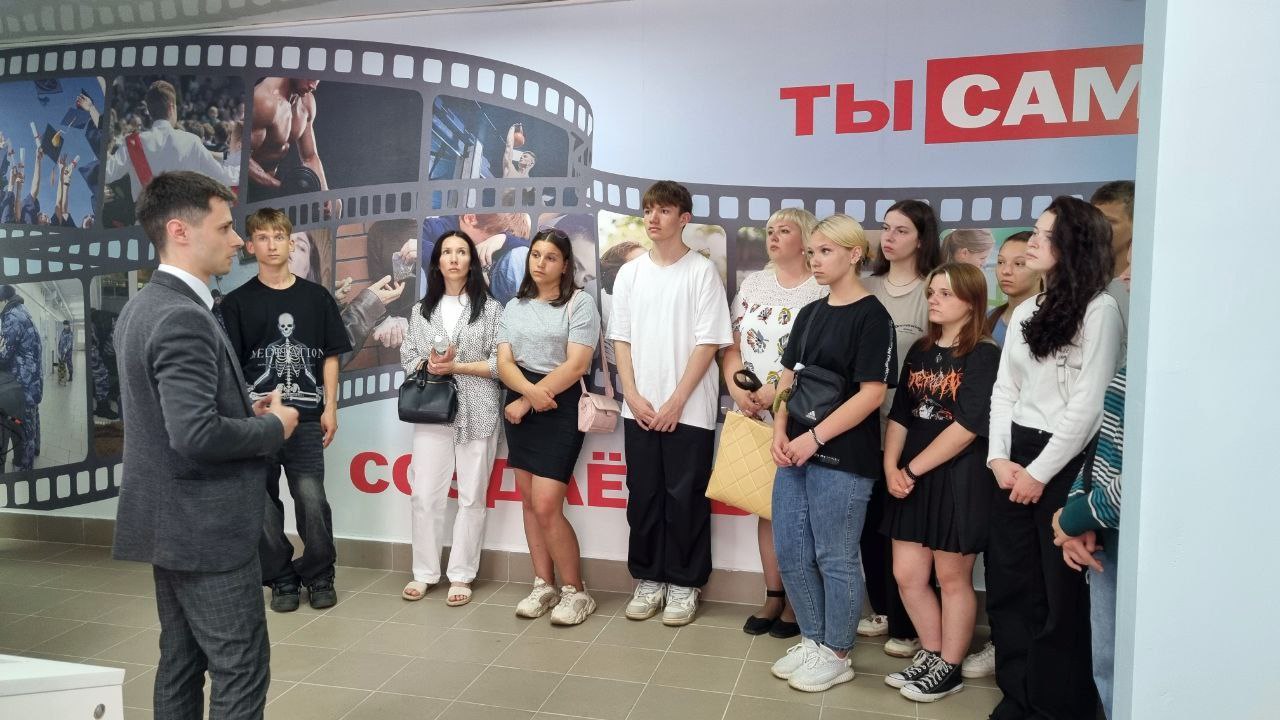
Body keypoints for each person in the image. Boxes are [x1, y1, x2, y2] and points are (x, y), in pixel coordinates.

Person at [112, 171, 299, 719]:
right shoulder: (181, 317)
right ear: (180, 231)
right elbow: (193, 435)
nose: (239, 240)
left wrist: (243, 410)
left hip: (171, 524)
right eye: (224, 227)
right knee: (241, 668)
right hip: (205, 530)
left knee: (181, 661)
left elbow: (172, 416)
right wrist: (274, 427)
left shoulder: (144, 305)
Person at [985, 196, 1124, 720]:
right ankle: (1017, 696)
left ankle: (1055, 706)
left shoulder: (1100, 310)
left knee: (1059, 595)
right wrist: (998, 459)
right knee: (1010, 585)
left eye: (1045, 235)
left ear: (1073, 245)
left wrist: (1039, 474)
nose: (1032, 243)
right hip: (1014, 457)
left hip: (1066, 461)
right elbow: (1005, 391)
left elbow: (1088, 407)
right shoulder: (1026, 310)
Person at [767, 213, 896, 692]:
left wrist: (814, 438)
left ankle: (838, 653)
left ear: (854, 254)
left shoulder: (873, 317)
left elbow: (871, 394)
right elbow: (788, 378)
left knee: (835, 556)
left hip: (843, 456)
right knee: (790, 550)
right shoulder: (810, 313)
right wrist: (780, 429)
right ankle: (814, 640)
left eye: (825, 251)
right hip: (793, 450)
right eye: (812, 252)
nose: (815, 261)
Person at [609, 180, 732, 627]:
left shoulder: (701, 271)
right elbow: (620, 339)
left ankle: (684, 583)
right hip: (639, 408)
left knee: (685, 499)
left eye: (663, 210)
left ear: (684, 218)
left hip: (689, 410)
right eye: (648, 210)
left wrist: (677, 401)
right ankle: (648, 579)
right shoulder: (630, 274)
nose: (653, 218)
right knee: (643, 495)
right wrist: (632, 395)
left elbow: (708, 342)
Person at [221, 208, 353, 613]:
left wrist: (331, 407)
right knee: (261, 504)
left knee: (312, 499)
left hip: (308, 418)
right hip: (257, 423)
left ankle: (319, 573)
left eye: (279, 236)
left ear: (290, 241)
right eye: (263, 237)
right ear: (250, 245)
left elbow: (331, 356)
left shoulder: (316, 298)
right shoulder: (236, 303)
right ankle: (280, 577)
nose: (272, 245)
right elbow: (230, 367)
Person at [881, 263, 1001, 703]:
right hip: (909, 475)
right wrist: (891, 467)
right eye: (932, 292)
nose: (933, 299)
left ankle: (950, 666)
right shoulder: (920, 348)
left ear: (971, 301)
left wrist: (911, 470)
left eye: (946, 293)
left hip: (956, 477)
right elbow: (901, 414)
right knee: (907, 574)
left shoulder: (984, 354)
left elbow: (967, 427)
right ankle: (931, 653)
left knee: (952, 578)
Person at [720, 207, 825, 638]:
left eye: (784, 230)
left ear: (807, 239)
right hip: (755, 413)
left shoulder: (823, 288)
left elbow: (821, 362)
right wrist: (738, 388)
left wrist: (775, 393)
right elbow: (730, 345)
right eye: (769, 230)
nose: (773, 237)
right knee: (769, 509)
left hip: (803, 414)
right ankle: (774, 595)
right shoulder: (753, 284)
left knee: (803, 512)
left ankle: (801, 603)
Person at [497, 228, 601, 625]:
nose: (540, 263)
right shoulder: (514, 305)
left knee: (545, 505)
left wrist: (531, 399)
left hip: (560, 405)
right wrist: (526, 395)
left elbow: (577, 364)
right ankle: (544, 584)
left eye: (551, 257)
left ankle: (576, 591)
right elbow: (504, 362)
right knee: (528, 503)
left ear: (565, 265)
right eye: (536, 255)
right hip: (520, 404)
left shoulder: (580, 303)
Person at [399, 230, 503, 607]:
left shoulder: (491, 309)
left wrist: (457, 366)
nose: (454, 258)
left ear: (471, 261)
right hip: (432, 410)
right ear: (438, 262)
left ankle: (462, 574)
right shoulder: (421, 310)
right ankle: (424, 572)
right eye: (447, 252)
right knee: (425, 494)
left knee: (472, 496)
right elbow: (407, 356)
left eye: (462, 251)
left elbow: (500, 364)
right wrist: (427, 363)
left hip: (479, 410)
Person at [859, 199, 942, 657]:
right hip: (861, 427)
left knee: (907, 531)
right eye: (885, 228)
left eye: (901, 230)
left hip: (913, 430)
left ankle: (910, 626)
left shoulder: (934, 289)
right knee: (869, 526)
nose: (888, 238)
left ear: (922, 238)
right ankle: (884, 611)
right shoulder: (865, 286)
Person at [104, 81, 239, 201]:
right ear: (171, 107)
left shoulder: (132, 143)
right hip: (182, 218)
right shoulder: (191, 141)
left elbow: (106, 174)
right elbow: (224, 177)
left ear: (149, 110)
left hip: (146, 219)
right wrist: (242, 164)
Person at [248, 78, 338, 217]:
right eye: (310, 77)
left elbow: (309, 156)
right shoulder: (264, 100)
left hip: (272, 185)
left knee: (335, 204)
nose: (313, 86)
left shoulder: (306, 102)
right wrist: (280, 186)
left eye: (317, 79)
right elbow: (240, 157)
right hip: (246, 186)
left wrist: (324, 192)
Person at [0, 284, 43, 471]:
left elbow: (3, 354)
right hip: (32, 384)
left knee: (24, 432)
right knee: (31, 424)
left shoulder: (11, 317)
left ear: (3, 300)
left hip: (21, 387)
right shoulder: (23, 311)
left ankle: (24, 471)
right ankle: (33, 453)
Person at [1090, 180, 1135, 328]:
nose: (1097, 228)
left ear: (1136, 225)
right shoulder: (1081, 285)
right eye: (1094, 220)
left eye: (1109, 221)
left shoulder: (1145, 289)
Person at [984, 232, 1039, 347]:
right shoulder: (988, 320)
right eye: (1001, 262)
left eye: (1018, 263)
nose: (1006, 271)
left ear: (1041, 270)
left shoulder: (1055, 321)